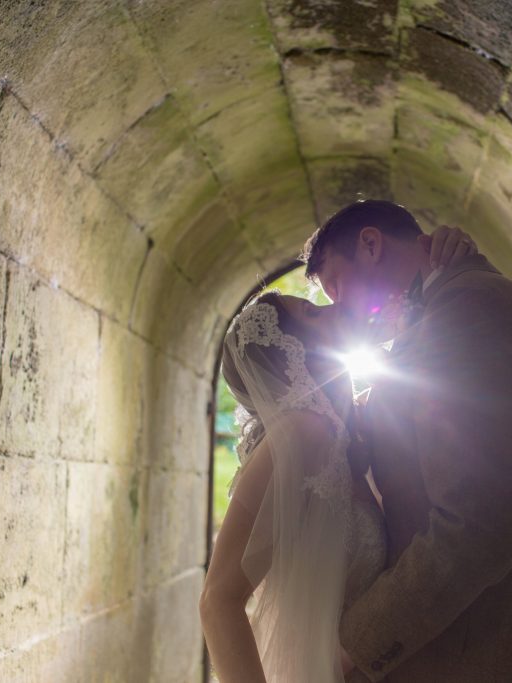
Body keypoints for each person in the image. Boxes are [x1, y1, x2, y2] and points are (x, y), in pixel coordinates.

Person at [303, 200, 512, 682]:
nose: (341, 310)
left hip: (504, 656)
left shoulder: (464, 315)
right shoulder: (447, 312)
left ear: (370, 243)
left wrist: (353, 644)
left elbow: (479, 524)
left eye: (337, 287)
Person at [200, 223, 476, 683]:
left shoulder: (342, 436)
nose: (331, 313)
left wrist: (446, 264)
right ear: (290, 357)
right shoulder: (304, 433)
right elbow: (218, 600)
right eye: (310, 313)